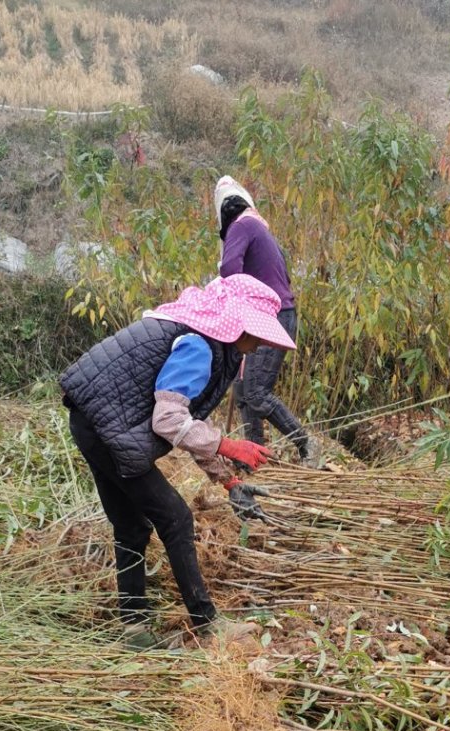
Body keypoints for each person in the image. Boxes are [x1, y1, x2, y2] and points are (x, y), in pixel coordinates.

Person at [60, 273, 295, 637]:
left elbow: (189, 421)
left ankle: (134, 626)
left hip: (92, 421)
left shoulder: (203, 336)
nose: (261, 342)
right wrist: (229, 445)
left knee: (131, 524)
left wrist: (229, 480)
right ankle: (207, 624)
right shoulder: (199, 346)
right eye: (258, 332)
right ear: (237, 324)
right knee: (177, 519)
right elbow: (168, 420)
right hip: (106, 426)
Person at [215, 175, 309, 461]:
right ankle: (257, 457)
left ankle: (306, 444)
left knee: (255, 392)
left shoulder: (241, 226)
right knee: (243, 391)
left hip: (272, 317)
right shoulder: (258, 229)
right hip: (272, 316)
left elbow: (230, 269)